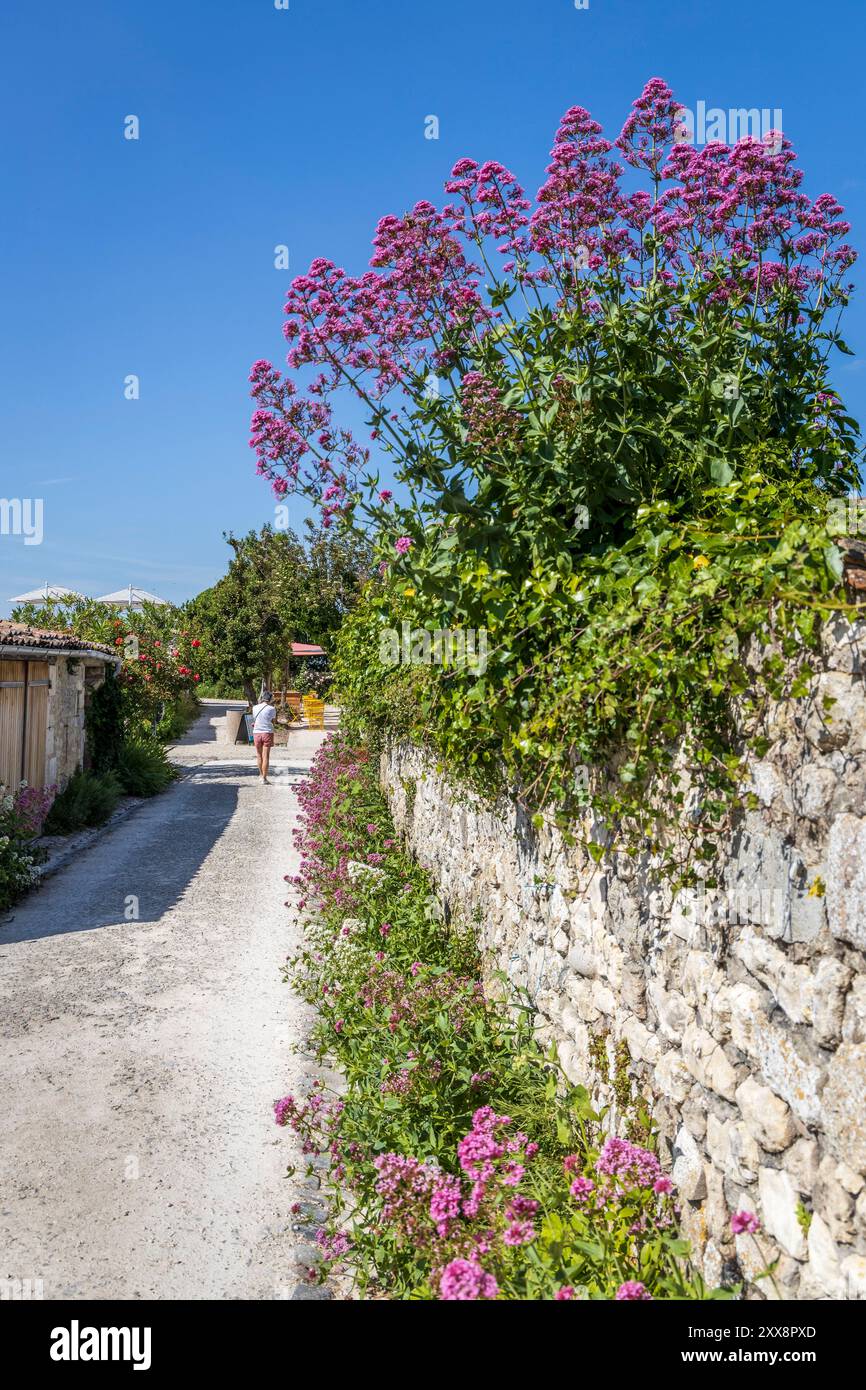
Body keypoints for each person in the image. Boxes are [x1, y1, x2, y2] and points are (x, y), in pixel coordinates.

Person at [252, 689, 276, 783]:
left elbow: (256, 719)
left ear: (262, 698)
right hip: (267, 732)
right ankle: (264, 778)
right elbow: (273, 721)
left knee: (259, 755)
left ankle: (261, 775)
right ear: (270, 699)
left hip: (257, 732)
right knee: (266, 756)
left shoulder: (255, 708)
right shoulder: (272, 708)